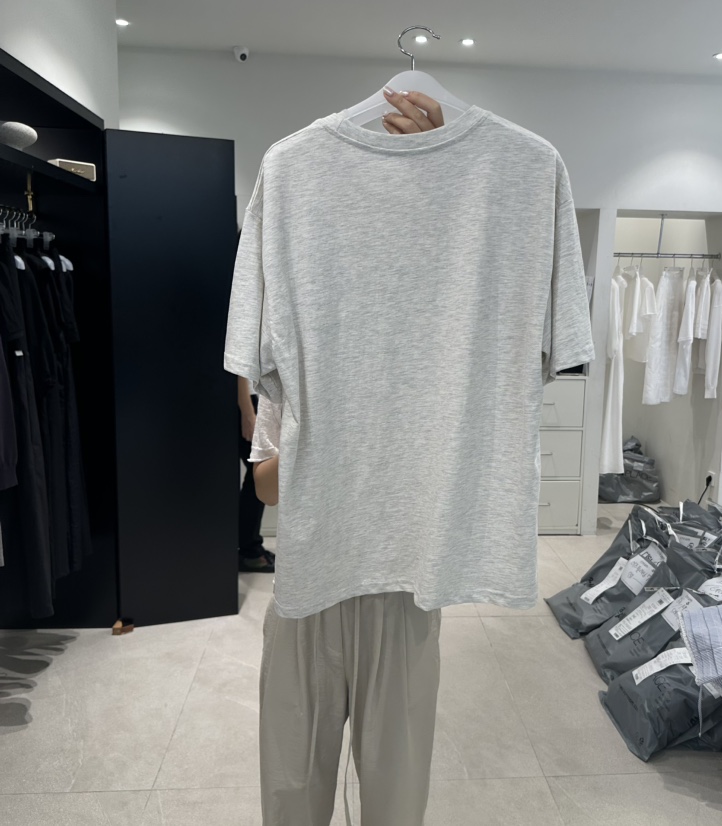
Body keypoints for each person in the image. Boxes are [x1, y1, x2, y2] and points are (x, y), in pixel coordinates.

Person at [250, 90, 447, 826]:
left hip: (404, 589)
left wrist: (436, 179)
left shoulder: (433, 351)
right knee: (291, 793)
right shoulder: (297, 343)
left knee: (396, 797)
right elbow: (266, 486)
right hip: (308, 592)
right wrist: (330, 434)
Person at [237, 376, 274, 572]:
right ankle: (250, 551)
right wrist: (248, 412)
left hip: (246, 400)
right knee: (258, 475)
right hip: (242, 402)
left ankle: (250, 547)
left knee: (257, 476)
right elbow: (238, 370)